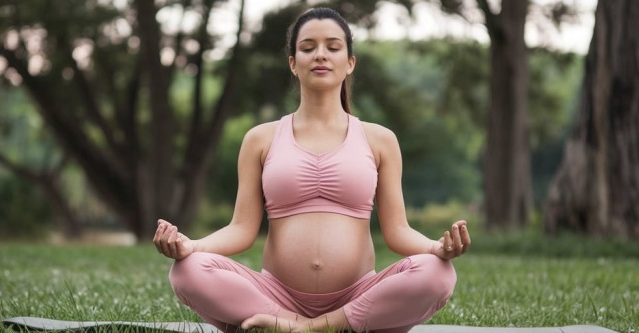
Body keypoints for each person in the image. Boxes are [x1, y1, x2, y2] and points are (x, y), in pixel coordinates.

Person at [153, 7, 472, 333]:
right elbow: (241, 230)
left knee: (438, 273)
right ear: (293, 63)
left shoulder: (380, 140)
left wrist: (436, 248)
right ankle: (301, 323)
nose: (320, 55)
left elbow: (397, 232)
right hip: (276, 295)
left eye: (333, 47)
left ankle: (305, 328)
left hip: (358, 296)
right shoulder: (260, 139)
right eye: (308, 48)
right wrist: (191, 246)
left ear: (350, 63)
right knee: (186, 271)